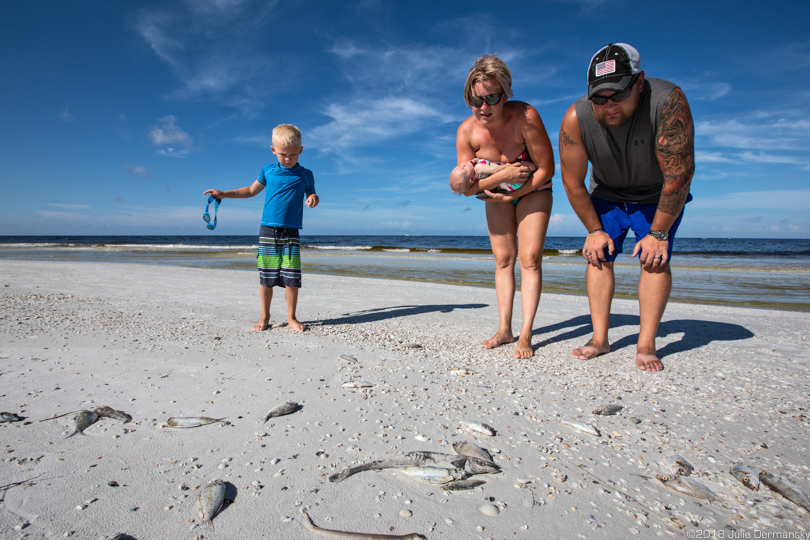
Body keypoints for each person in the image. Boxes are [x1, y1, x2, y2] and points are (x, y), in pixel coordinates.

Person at [558, 43, 695, 371]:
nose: (609, 106)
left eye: (617, 95)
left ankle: (646, 344)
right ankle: (599, 339)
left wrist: (658, 232)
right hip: (607, 192)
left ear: (640, 82)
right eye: (599, 98)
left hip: (657, 194)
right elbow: (573, 183)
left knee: (654, 260)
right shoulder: (576, 118)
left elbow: (680, 174)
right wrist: (593, 230)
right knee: (598, 255)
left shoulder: (667, 101)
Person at [455, 54, 554, 359]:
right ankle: (504, 330)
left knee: (530, 258)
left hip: (534, 189)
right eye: (475, 100)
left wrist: (514, 192)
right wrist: (503, 176)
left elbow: (547, 170)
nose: (483, 107)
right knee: (503, 260)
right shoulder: (466, 132)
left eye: (492, 98)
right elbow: (466, 188)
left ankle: (525, 334)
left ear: (506, 93)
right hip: (495, 193)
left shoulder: (526, 116)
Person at [204, 124, 319, 332]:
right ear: (273, 150)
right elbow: (249, 191)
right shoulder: (268, 170)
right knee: (266, 277)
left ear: (300, 151)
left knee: (292, 277)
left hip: (291, 231)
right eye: (283, 154)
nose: (288, 159)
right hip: (268, 230)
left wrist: (312, 198)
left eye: (293, 154)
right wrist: (223, 193)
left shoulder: (306, 174)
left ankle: (291, 317)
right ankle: (265, 317)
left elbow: (311, 193)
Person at [449, 153, 535, 197]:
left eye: (460, 166)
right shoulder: (479, 168)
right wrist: (507, 167)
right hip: (513, 181)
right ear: (471, 180)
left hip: (509, 188)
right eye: (464, 169)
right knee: (527, 167)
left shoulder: (476, 175)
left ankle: (538, 186)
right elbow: (495, 170)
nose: (463, 165)